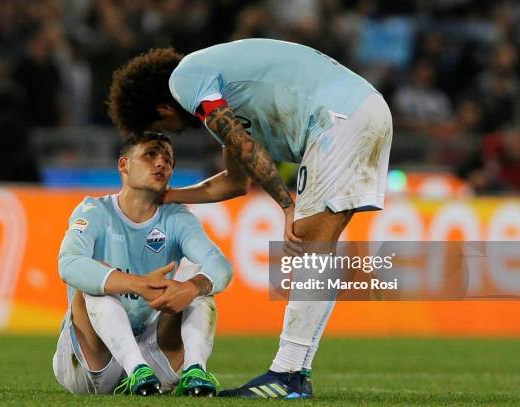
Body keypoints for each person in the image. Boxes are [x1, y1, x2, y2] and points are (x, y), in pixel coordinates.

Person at [109, 38, 393, 398]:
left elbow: (243, 144)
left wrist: (286, 204)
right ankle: (295, 373)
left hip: (339, 117)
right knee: (317, 246)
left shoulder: (185, 79)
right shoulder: (228, 93)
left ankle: (288, 374)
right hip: (357, 111)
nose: (172, 134)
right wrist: (166, 197)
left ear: (164, 106)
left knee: (309, 240)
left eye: (161, 125)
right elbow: (234, 182)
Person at [52, 131, 232, 396]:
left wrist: (192, 287)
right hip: (91, 364)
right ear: (123, 165)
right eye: (150, 155)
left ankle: (195, 370)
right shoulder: (94, 211)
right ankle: (135, 369)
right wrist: (140, 284)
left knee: (197, 277)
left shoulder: (178, 218)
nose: (161, 163)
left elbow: (221, 265)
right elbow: (68, 264)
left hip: (154, 360)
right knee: (96, 274)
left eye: (168, 160)